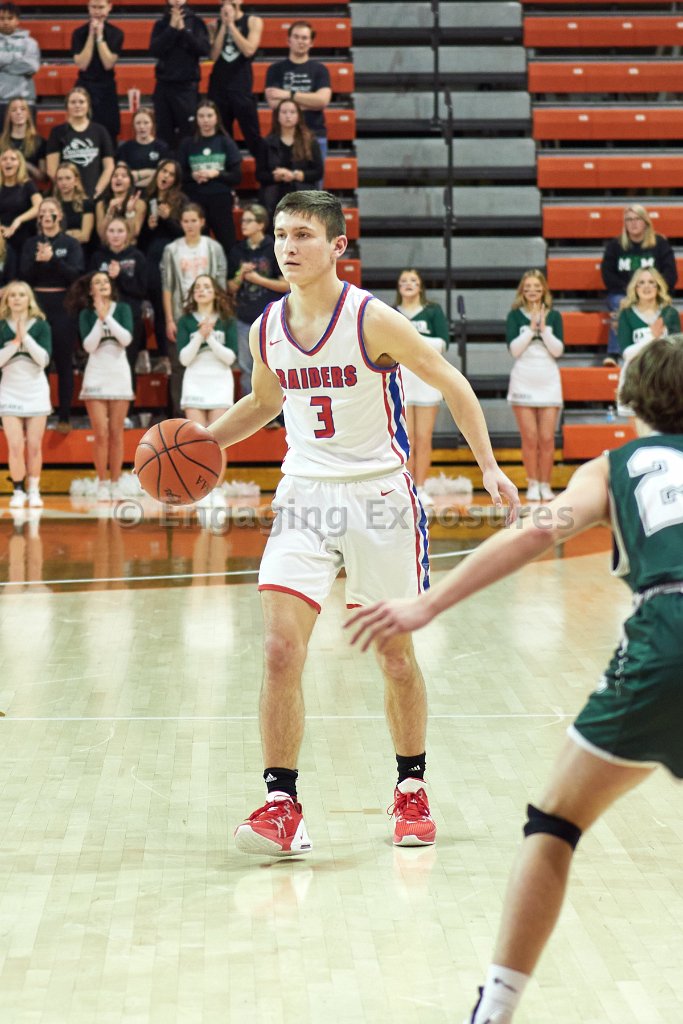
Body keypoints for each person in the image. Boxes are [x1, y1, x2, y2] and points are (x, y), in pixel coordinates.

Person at [345, 334, 683, 1024]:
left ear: (630, 399)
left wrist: (427, 603)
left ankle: (494, 1009)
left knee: (555, 822)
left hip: (667, 636)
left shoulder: (614, 466)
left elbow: (535, 533)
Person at [204, 190, 518, 856]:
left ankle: (411, 787)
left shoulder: (372, 319)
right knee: (280, 649)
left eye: (303, 235)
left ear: (337, 246)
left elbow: (450, 381)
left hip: (379, 496)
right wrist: (202, 445)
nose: (287, 247)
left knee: (394, 657)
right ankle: (281, 805)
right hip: (305, 494)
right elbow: (262, 403)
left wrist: (489, 466)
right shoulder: (266, 327)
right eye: (280, 235)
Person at [19, 198, 85, 433]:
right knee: (39, 362)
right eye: (43, 211)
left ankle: (64, 416)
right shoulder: (31, 244)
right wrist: (38, 262)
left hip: (64, 306)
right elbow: (24, 276)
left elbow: (76, 276)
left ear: (60, 215)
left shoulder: (70, 243)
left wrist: (54, 260)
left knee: (64, 362)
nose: (46, 215)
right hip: (38, 307)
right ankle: (41, 413)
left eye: (51, 211)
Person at [67, 270, 133, 500]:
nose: (103, 284)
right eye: (97, 282)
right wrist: (99, 317)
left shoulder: (123, 309)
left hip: (119, 373)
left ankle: (115, 483)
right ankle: (102, 482)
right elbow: (89, 346)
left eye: (106, 281)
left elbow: (126, 339)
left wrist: (108, 317)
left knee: (116, 432)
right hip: (96, 374)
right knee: (101, 433)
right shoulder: (86, 314)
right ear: (90, 290)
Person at [177, 273, 237, 506]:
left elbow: (230, 357)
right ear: (193, 294)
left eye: (206, 286)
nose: (202, 290)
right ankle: (200, 489)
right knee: (196, 441)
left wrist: (210, 338)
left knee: (217, 440)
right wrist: (199, 337)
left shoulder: (227, 319)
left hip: (220, 380)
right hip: (195, 379)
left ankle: (216, 489)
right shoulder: (185, 321)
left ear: (215, 292)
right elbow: (184, 358)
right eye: (198, 287)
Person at [161, 202, 227, 416]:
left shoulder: (213, 248)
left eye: (193, 221)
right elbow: (167, 286)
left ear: (202, 222)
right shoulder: (172, 249)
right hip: (182, 316)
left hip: (209, 314)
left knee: (213, 360)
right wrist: (169, 319)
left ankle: (214, 413)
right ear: (180, 223)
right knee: (179, 366)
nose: (189, 225)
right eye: (185, 221)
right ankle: (180, 421)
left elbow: (221, 285)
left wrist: (218, 315)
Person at [506, 269, 563, 503]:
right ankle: (532, 482)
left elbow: (558, 351)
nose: (532, 291)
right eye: (528, 287)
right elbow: (514, 350)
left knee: (547, 438)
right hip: (524, 378)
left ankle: (545, 484)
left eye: (537, 287)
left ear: (543, 290)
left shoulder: (554, 316)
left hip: (548, 378)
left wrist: (544, 329)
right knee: (530, 437)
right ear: (522, 291)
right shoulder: (514, 316)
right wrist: (531, 329)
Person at [394, 268, 450, 508]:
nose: (408, 284)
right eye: (404, 281)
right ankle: (407, 488)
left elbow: (442, 344)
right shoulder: (392, 313)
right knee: (406, 439)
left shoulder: (433, 311)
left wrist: (410, 340)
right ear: (398, 287)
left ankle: (422, 487)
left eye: (413, 280)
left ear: (420, 286)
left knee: (424, 438)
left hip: (427, 381)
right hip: (401, 381)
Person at [601, 203, 677, 365]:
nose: (633, 223)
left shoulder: (659, 244)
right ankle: (614, 353)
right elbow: (607, 275)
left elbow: (671, 274)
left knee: (668, 309)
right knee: (621, 303)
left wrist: (656, 289)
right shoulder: (615, 245)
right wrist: (631, 291)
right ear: (624, 223)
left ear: (646, 222)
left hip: (655, 292)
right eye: (629, 219)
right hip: (623, 292)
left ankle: (669, 357)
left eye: (637, 219)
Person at [0, 279, 51, 508]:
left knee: (34, 445)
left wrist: (26, 338)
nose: (17, 298)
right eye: (12, 295)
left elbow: (43, 360)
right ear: (7, 300)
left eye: (21, 294)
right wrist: (15, 343)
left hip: (35, 390)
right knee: (14, 445)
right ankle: (18, 490)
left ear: (29, 299)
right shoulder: (1, 326)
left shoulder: (41, 326)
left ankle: (34, 490)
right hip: (10, 391)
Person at [228, 202, 287, 397]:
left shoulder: (273, 248)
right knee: (247, 368)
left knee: (275, 367)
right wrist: (240, 275)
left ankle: (278, 411)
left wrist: (257, 279)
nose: (243, 224)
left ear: (261, 224)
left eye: (248, 221)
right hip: (243, 318)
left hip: (271, 319)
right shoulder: (237, 250)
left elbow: (286, 285)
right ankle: (251, 411)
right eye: (242, 221)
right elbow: (230, 288)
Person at [139, 158, 186, 372]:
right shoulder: (146, 197)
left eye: (171, 174)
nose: (165, 176)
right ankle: (143, 354)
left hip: (169, 260)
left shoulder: (181, 200)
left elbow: (184, 235)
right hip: (148, 259)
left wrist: (168, 219)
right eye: (163, 171)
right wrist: (148, 227)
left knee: (161, 307)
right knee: (142, 307)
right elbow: (140, 240)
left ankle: (165, 356)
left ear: (176, 180)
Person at [177, 99, 241, 258]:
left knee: (228, 244)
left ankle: (232, 273)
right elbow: (179, 175)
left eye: (209, 116)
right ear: (196, 119)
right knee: (198, 245)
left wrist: (217, 173)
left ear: (216, 118)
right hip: (195, 200)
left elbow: (236, 176)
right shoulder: (187, 143)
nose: (205, 120)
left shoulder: (226, 142)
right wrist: (192, 175)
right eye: (201, 116)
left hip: (220, 199)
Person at [265, 21, 332, 166]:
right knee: (282, 180)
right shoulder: (275, 69)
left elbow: (322, 101)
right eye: (296, 37)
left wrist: (288, 95)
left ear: (311, 43)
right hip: (282, 138)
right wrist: (310, 102)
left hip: (314, 136)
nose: (300, 41)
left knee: (314, 180)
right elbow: (274, 103)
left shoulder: (320, 70)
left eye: (304, 38)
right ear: (288, 40)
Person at [90, 215, 147, 381]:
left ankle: (129, 398)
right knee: (103, 364)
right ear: (105, 233)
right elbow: (89, 286)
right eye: (112, 231)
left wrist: (120, 275)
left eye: (120, 231)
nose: (115, 235)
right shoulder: (98, 257)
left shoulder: (137, 256)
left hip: (130, 316)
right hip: (102, 317)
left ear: (128, 233)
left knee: (128, 365)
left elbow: (142, 290)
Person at [149, 0, 210, 149]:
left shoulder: (196, 23)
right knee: (163, 133)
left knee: (188, 132)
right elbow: (154, 50)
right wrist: (171, 28)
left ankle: (186, 163)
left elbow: (203, 49)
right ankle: (166, 162)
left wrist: (183, 30)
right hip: (164, 85)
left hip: (187, 87)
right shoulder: (161, 24)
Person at [208, 0, 263, 159]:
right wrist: (223, 26)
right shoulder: (213, 25)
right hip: (219, 87)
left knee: (252, 134)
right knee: (221, 136)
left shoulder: (253, 21)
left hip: (241, 86)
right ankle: (227, 170)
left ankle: (263, 168)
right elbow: (213, 56)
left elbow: (249, 50)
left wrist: (231, 25)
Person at [45, 87, 115, 201]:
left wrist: (97, 190)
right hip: (67, 196)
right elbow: (52, 169)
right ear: (67, 106)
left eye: (81, 102)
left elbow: (109, 166)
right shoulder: (58, 132)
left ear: (88, 105)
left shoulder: (100, 131)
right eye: (73, 102)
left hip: (94, 195)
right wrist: (66, 189)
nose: (77, 105)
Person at [256, 99, 323, 216]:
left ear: (299, 116)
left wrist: (295, 175)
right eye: (284, 112)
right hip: (274, 199)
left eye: (292, 112)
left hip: (303, 198)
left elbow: (318, 172)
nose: (288, 116)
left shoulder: (310, 141)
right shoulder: (266, 143)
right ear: (277, 116)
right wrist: (277, 176)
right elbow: (260, 174)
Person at [71, 0, 124, 144]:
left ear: (109, 8)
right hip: (85, 87)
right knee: (82, 131)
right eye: (93, 7)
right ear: (88, 8)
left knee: (109, 132)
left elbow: (108, 63)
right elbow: (82, 64)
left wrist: (99, 37)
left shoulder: (116, 33)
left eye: (101, 7)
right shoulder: (78, 33)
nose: (97, 12)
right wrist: (90, 36)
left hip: (106, 89)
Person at [617, 266, 680, 365]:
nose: (647, 286)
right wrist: (652, 337)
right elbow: (627, 354)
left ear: (658, 286)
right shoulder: (627, 314)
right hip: (636, 370)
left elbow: (677, 352)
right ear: (635, 287)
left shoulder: (670, 313)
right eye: (641, 282)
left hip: (664, 370)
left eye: (651, 282)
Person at [0, 3, 40, 127]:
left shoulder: (30, 43)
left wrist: (3, 62)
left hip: (25, 102)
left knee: (27, 139)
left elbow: (31, 67)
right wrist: (17, 58)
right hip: (0, 102)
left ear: (17, 20)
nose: (6, 22)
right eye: (2, 18)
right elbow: (24, 65)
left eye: (10, 18)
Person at [116, 107, 170, 190]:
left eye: (146, 123)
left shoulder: (162, 147)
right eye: (138, 123)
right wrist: (150, 172)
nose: (142, 126)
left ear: (152, 124)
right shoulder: (125, 148)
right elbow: (121, 176)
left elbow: (162, 176)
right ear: (133, 125)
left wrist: (137, 177)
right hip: (131, 193)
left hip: (154, 191)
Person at [0, 147, 40, 256]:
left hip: (24, 237)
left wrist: (18, 220)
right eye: (4, 159)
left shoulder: (27, 184)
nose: (8, 162)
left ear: (19, 164)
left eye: (13, 159)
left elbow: (39, 206)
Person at [94, 160, 146, 243]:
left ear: (130, 183)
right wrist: (109, 212)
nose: (119, 178)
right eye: (115, 176)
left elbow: (134, 233)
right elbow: (101, 234)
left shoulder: (139, 203)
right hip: (107, 247)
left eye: (124, 176)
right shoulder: (101, 204)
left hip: (129, 247)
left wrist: (129, 212)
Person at [0, 98, 46, 183]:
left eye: (23, 109)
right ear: (9, 115)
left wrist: (24, 164)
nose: (18, 112)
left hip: (29, 186)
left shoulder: (39, 141)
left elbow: (43, 177)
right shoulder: (1, 141)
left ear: (28, 114)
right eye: (14, 110)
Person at [52, 162, 95, 248]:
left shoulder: (86, 204)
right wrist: (73, 233)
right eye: (60, 179)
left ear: (76, 181)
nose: (64, 182)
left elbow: (85, 236)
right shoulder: (52, 205)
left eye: (68, 178)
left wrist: (61, 234)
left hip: (80, 249)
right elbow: (48, 235)